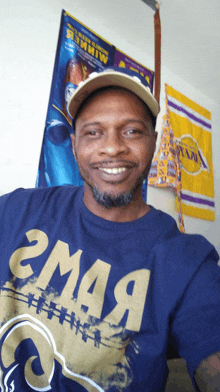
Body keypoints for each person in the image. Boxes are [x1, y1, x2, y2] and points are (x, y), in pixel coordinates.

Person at [0, 67, 220, 392]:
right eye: (93, 133)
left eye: (131, 131)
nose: (113, 148)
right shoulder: (16, 210)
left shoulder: (186, 261)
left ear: (155, 143)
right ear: (74, 145)